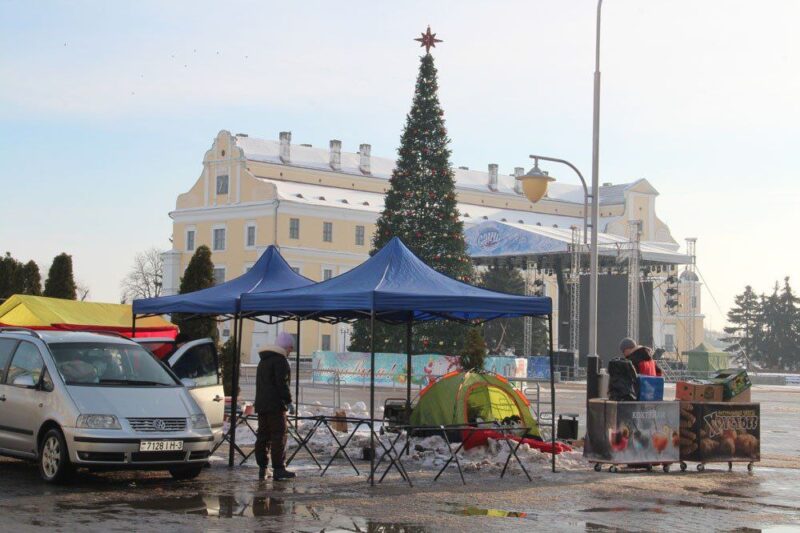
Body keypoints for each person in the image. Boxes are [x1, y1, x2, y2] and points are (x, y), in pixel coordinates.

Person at [254, 332, 296, 481]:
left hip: (261, 405)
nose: (291, 351)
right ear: (285, 347)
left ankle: (262, 468)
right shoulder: (280, 361)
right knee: (279, 436)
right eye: (290, 348)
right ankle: (279, 469)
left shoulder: (263, 360)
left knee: (263, 436)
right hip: (276, 406)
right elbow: (282, 384)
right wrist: (288, 401)